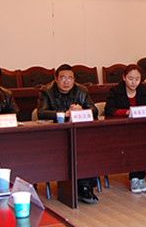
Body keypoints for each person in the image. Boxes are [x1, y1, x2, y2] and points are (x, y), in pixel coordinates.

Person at [38, 64, 100, 204]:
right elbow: (41, 112)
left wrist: (82, 109)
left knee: (88, 148)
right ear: (56, 79)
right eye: (63, 78)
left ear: (74, 80)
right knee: (73, 150)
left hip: (78, 133)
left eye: (70, 78)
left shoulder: (82, 90)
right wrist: (65, 113)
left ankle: (85, 186)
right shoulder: (46, 91)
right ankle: (83, 187)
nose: (66, 81)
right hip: (55, 135)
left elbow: (95, 110)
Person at [104, 64, 146, 193]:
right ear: (124, 77)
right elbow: (109, 110)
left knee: (143, 142)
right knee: (135, 143)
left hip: (141, 129)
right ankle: (136, 178)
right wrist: (127, 112)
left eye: (137, 79)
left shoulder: (144, 90)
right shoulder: (115, 91)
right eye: (130, 78)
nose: (134, 82)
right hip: (121, 130)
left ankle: (140, 177)